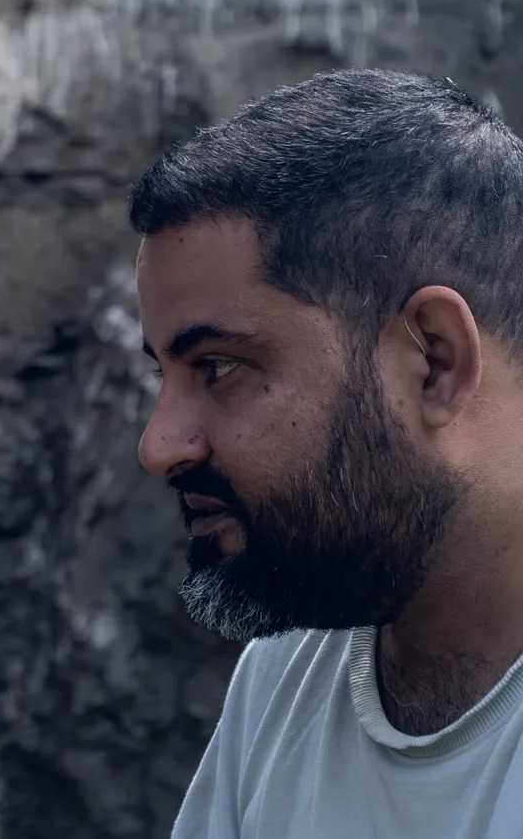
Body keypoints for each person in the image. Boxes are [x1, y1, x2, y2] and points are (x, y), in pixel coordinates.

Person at [130, 67, 523, 838]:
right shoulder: (291, 672)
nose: (158, 445)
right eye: (163, 373)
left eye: (218, 366)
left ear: (434, 361)